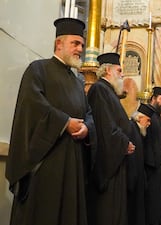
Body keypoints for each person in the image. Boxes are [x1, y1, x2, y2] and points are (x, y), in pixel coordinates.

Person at [5, 18, 96, 225]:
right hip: (46, 164)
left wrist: (86, 127)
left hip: (73, 164)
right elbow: (33, 106)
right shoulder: (38, 70)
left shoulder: (78, 80)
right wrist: (65, 122)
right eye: (75, 43)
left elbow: (88, 112)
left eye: (81, 44)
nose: (80, 49)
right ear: (59, 44)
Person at [87, 52, 136, 225]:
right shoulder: (99, 89)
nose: (122, 74)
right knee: (106, 213)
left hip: (116, 160)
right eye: (119, 70)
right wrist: (124, 143)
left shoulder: (108, 92)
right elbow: (105, 127)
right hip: (107, 162)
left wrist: (124, 143)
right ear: (108, 70)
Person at [144, 86, 161, 225]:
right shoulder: (147, 114)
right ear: (153, 98)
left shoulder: (157, 116)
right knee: (152, 196)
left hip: (159, 165)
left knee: (159, 195)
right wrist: (151, 161)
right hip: (151, 166)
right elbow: (144, 139)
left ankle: (160, 219)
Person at [128, 103, 154, 225]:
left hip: (137, 177)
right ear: (139, 118)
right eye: (148, 120)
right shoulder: (131, 128)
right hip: (132, 178)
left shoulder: (137, 130)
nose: (149, 124)